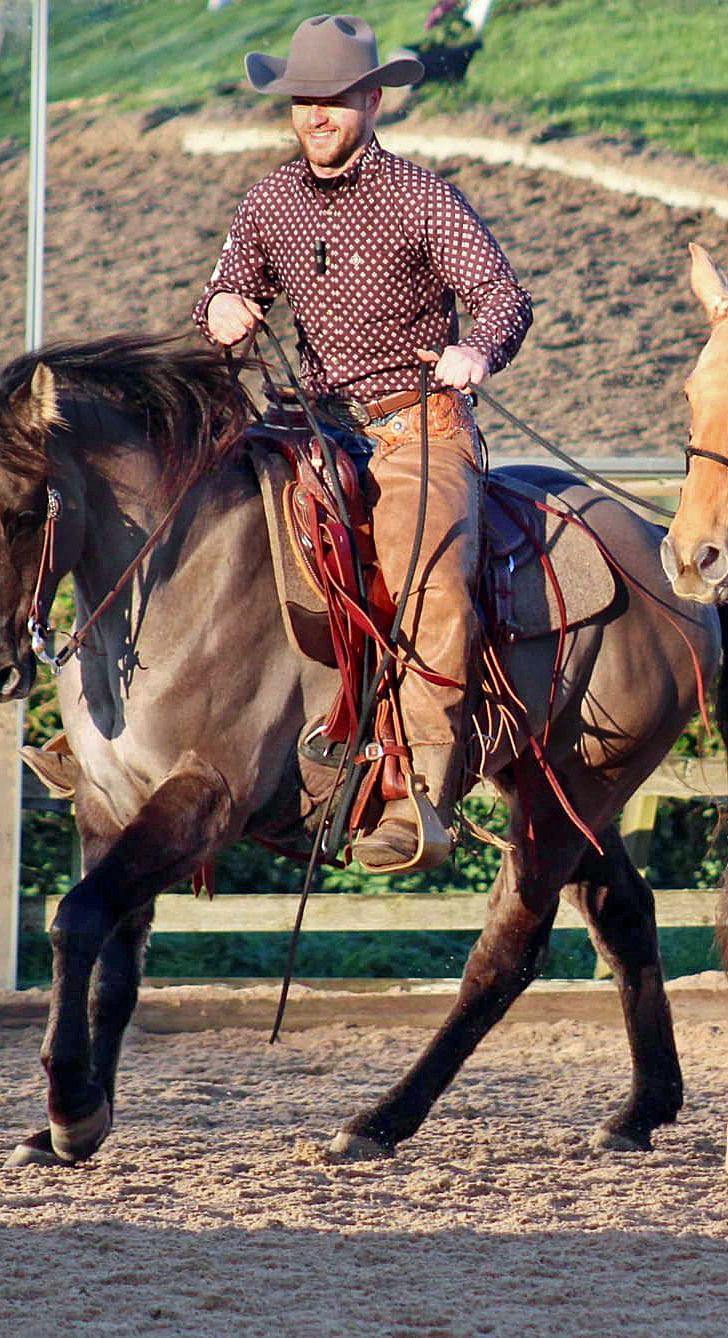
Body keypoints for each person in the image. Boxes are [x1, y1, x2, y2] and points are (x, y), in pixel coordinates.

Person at [194, 13, 533, 874]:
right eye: (304, 100)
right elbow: (225, 290)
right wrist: (221, 310)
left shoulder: (422, 197)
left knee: (433, 586)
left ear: (373, 103)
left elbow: (502, 298)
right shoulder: (270, 201)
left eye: (336, 100)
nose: (317, 116)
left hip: (414, 425)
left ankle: (421, 794)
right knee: (197, 513)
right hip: (309, 423)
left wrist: (474, 351)